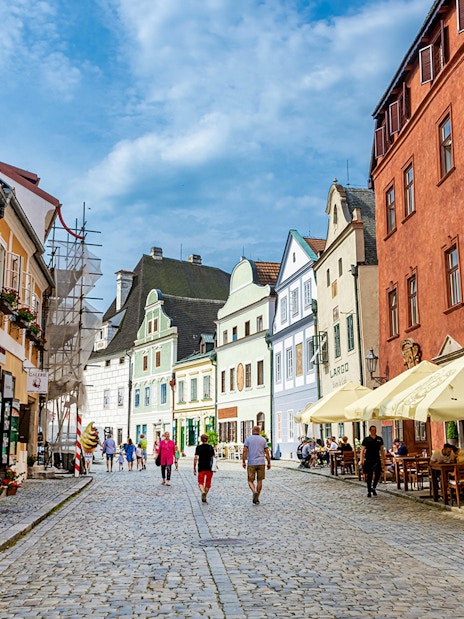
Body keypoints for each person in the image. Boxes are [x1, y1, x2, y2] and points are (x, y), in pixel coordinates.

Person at [242, 425, 271, 504]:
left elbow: (244, 451)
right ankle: (257, 497)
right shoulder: (263, 440)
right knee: (259, 480)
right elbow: (267, 452)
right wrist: (269, 462)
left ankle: (254, 491)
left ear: (252, 431)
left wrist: (243, 461)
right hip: (261, 462)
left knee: (250, 480)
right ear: (259, 431)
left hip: (251, 462)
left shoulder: (248, 439)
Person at [361, 425, 385, 497]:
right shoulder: (366, 439)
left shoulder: (379, 439)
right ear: (370, 430)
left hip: (377, 458)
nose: (374, 431)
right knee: (369, 475)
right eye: (372, 430)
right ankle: (369, 490)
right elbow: (362, 450)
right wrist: (361, 459)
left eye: (375, 430)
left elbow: (382, 450)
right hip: (369, 459)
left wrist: (383, 460)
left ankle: (374, 487)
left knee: (377, 474)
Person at [193, 433, 215, 503]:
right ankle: (205, 493)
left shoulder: (198, 447)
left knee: (200, 482)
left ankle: (203, 492)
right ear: (207, 439)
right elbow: (213, 457)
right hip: (209, 467)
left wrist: (194, 467)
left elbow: (196, 458)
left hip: (201, 466)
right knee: (208, 482)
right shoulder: (210, 447)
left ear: (201, 440)